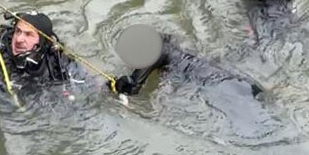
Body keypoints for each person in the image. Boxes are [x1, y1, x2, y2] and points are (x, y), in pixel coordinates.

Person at [110, 24, 266, 98]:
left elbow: (132, 88)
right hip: (227, 75)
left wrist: (117, 85)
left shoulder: (152, 53)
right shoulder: (170, 41)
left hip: (213, 84)